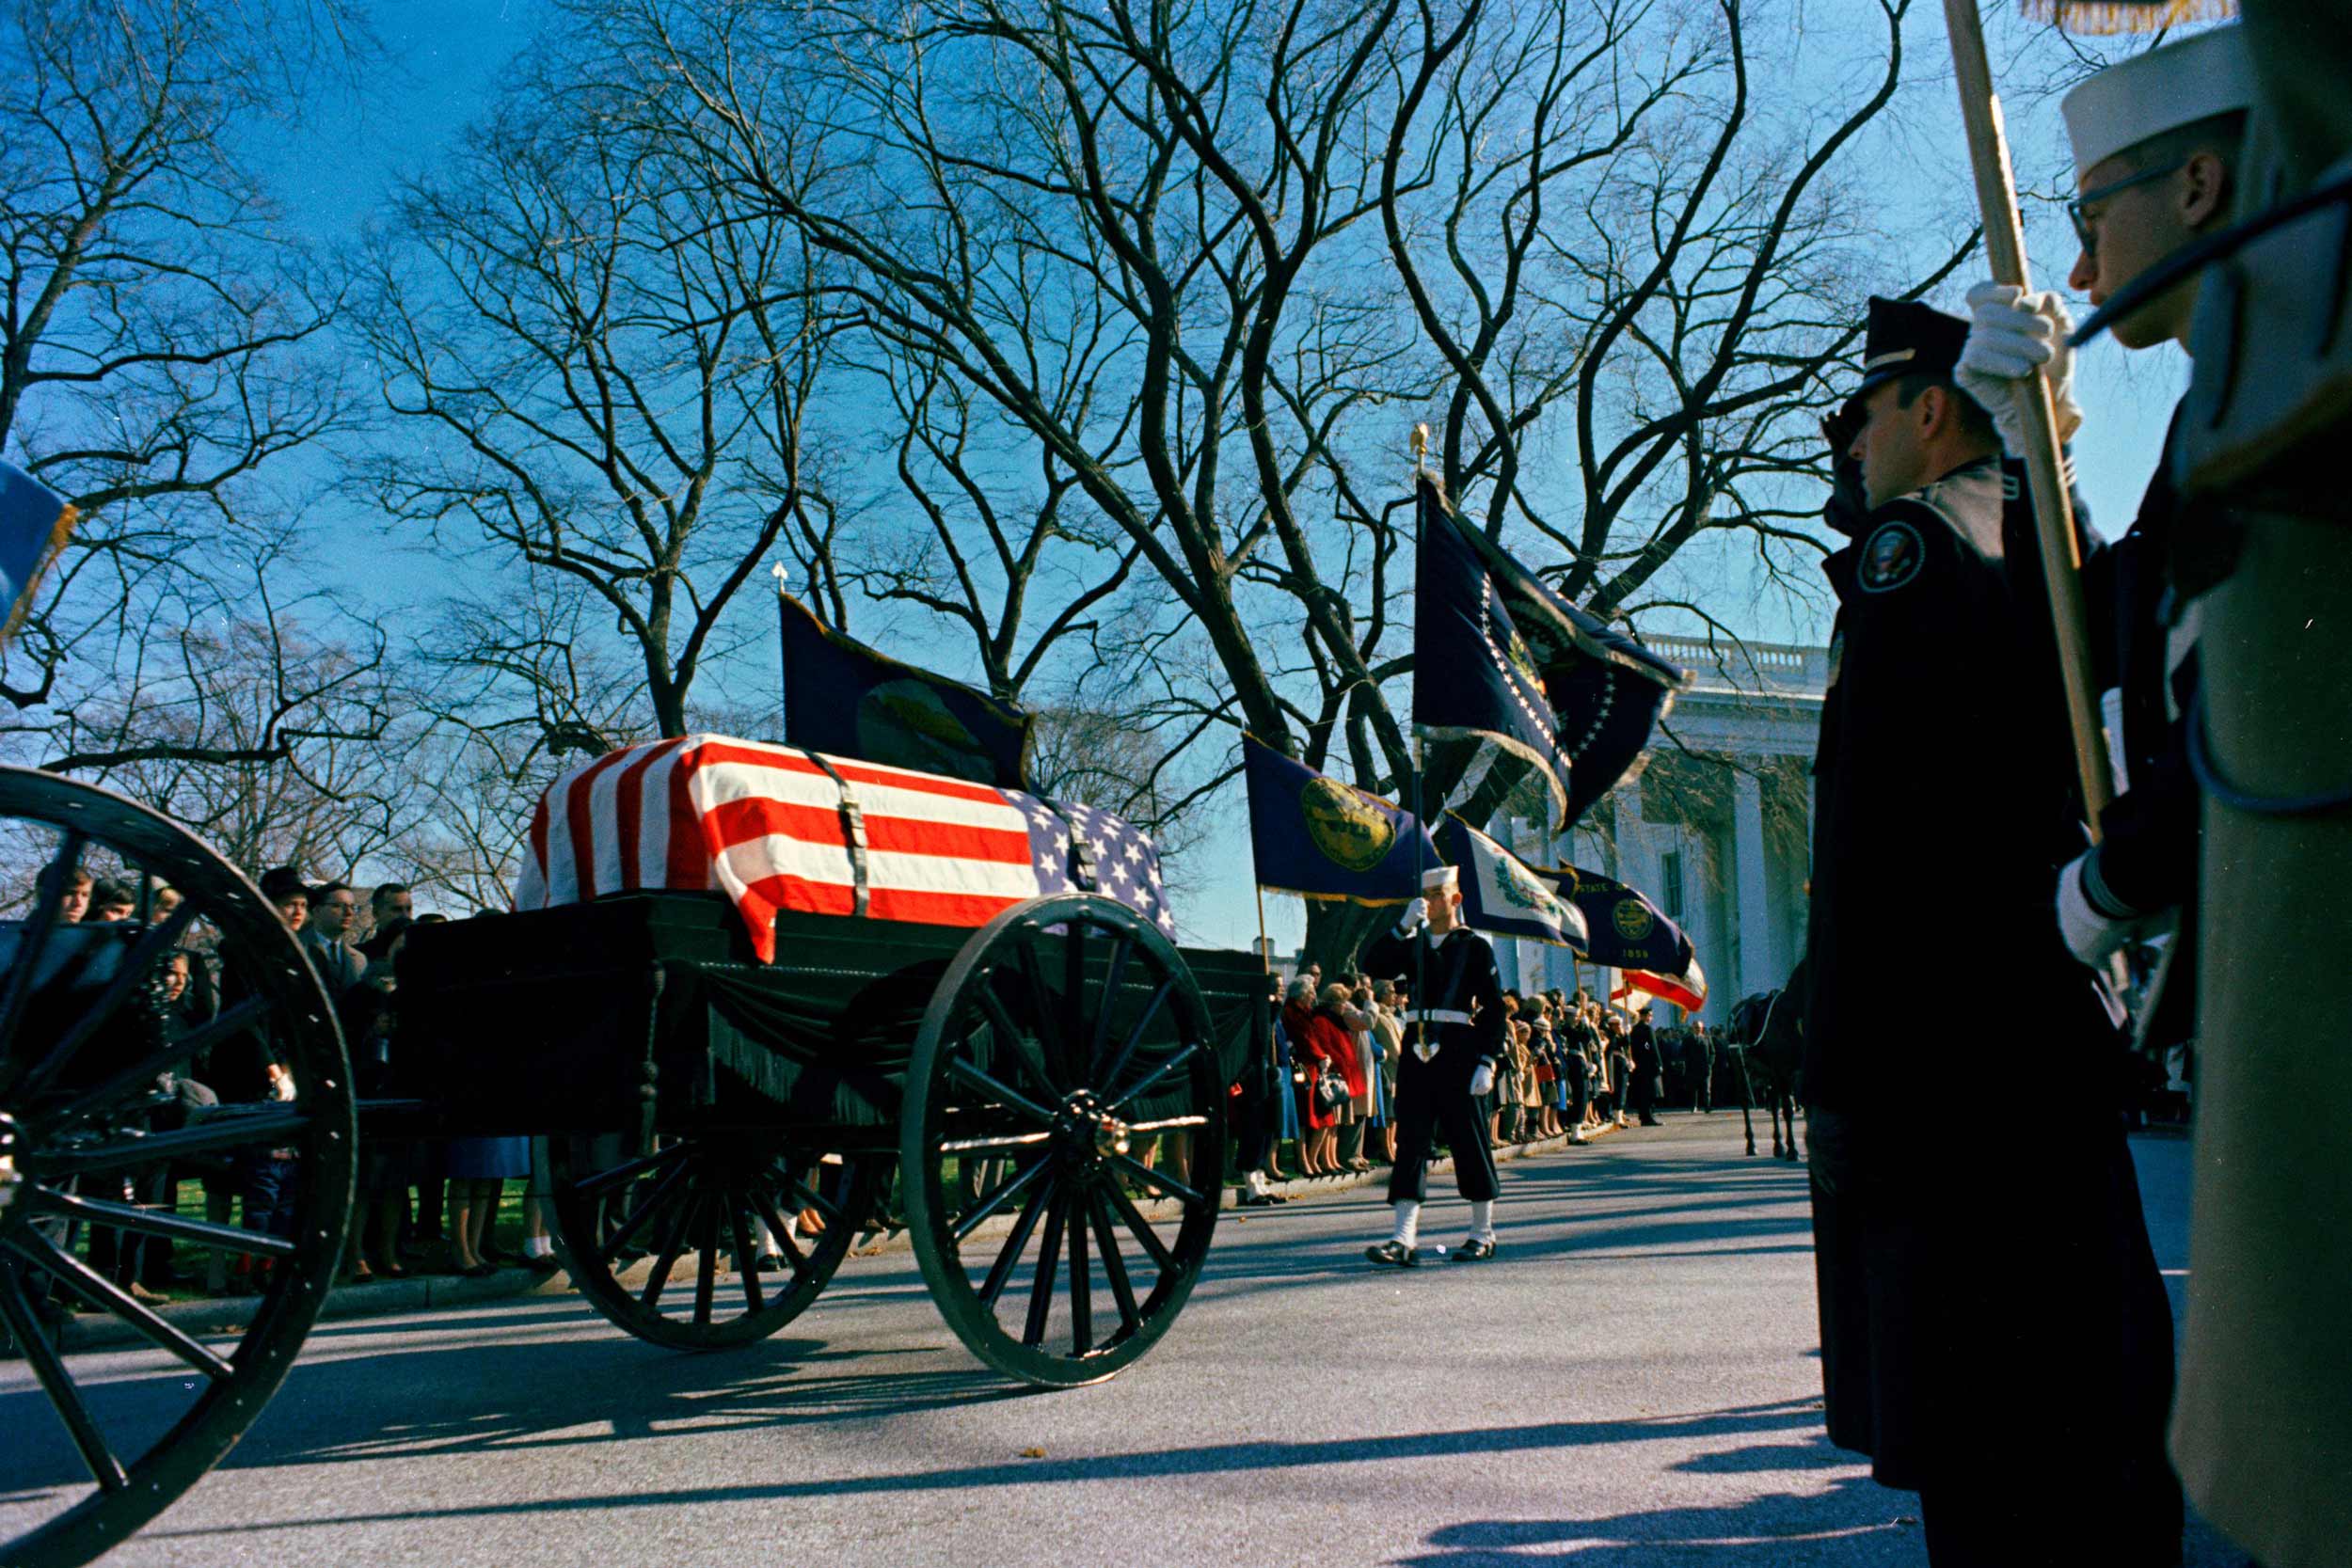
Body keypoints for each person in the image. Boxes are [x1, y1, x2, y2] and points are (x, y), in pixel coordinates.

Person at [1971, 23, 2351, 1565]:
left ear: (2205, 181)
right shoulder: (2215, 403)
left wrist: (2115, 885)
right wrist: (2036, 442)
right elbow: (2127, 620)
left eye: (2095, 207)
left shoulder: (2283, 363)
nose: (2082, 250)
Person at [1804, 296, 2181, 1566]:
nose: (1849, 444)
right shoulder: (2015, 530)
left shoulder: (1917, 541)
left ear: (1926, 406)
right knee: (2093, 1430)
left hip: (1947, 1082)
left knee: (1989, 1461)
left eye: (1862, 414)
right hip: (2042, 1044)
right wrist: (2045, 459)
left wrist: (1836, 1047)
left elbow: (1887, 850)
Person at [1359, 864, 1503, 1266]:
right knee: (1412, 1142)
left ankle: (1482, 1233)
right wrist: (1402, 926)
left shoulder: (1474, 947)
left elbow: (1494, 1009)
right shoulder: (1414, 943)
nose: (1430, 901)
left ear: (1456, 899)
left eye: (1438, 893)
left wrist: (1487, 1060)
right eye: (1425, 894)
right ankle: (1403, 1238)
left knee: (1469, 1141)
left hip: (1458, 1047)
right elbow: (1373, 965)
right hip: (1417, 1048)